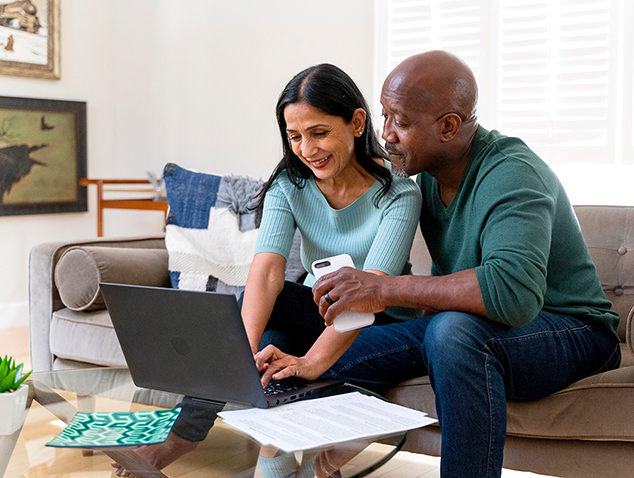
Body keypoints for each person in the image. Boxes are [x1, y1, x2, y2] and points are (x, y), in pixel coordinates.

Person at [310, 50, 621, 477]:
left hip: (574, 330)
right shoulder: (427, 181)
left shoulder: (512, 173)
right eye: (384, 116)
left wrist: (382, 289)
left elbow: (512, 294)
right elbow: (435, 296)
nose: (386, 135)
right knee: (328, 354)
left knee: (453, 332)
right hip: (478, 327)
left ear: (449, 127)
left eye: (399, 121)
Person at [112, 63, 421, 476]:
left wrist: (310, 361)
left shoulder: (398, 192)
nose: (307, 149)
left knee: (280, 362)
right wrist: (237, 362)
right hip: (316, 306)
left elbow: (373, 292)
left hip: (379, 316)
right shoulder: (289, 185)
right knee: (262, 351)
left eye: (319, 132)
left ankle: (203, 440)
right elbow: (267, 273)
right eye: (295, 136)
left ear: (357, 123)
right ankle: (194, 432)